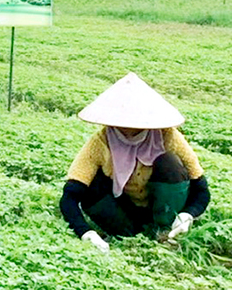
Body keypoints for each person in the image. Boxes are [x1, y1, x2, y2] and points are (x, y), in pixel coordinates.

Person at [59, 72, 210, 252]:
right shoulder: (100, 142)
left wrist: (188, 215)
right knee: (93, 185)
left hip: (162, 206)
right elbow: (70, 195)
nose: (128, 128)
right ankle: (128, 232)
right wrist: (85, 232)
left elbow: (201, 189)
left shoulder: (167, 136)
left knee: (170, 162)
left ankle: (165, 228)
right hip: (124, 211)